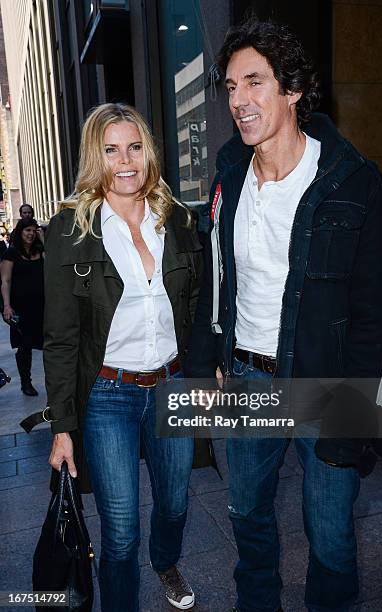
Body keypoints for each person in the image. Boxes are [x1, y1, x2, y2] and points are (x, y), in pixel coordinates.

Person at [185, 18, 382, 612]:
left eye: (254, 82)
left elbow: (376, 314)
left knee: (330, 537)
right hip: (247, 381)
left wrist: (358, 417)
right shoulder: (230, 178)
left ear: (294, 88)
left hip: (325, 384)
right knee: (249, 518)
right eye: (229, 87)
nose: (239, 101)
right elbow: (215, 281)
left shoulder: (353, 182)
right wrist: (210, 365)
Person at [25, 103, 202, 612]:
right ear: (93, 158)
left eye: (135, 147)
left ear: (149, 151)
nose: (125, 161)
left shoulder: (178, 218)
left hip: (171, 386)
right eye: (110, 150)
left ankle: (165, 561)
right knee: (119, 530)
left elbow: (192, 303)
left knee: (174, 502)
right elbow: (59, 337)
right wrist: (62, 427)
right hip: (107, 395)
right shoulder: (69, 229)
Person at [1, 218, 44, 396]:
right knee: (25, 346)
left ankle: (55, 382)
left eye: (34, 231)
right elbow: (5, 281)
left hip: (42, 305)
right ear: (20, 232)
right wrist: (7, 306)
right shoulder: (12, 253)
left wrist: (44, 242)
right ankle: (26, 382)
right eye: (27, 230)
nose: (31, 234)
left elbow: (52, 267)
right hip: (21, 307)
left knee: (48, 344)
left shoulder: (40, 251)